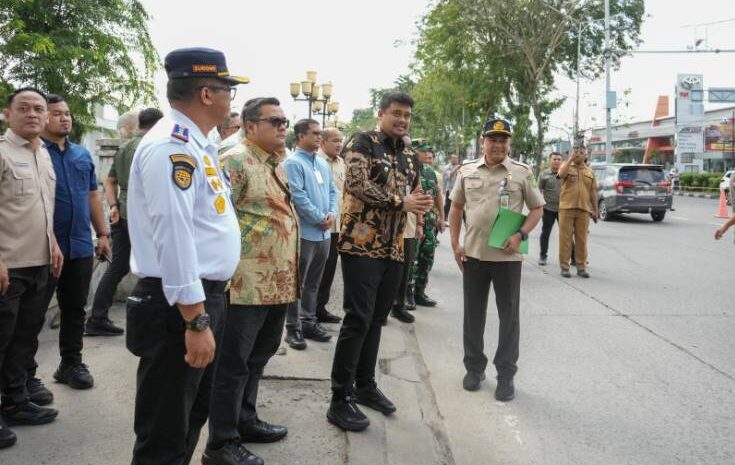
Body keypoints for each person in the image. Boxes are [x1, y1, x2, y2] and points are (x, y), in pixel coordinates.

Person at [125, 47, 247, 465]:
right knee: (164, 430)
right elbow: (173, 237)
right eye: (227, 88)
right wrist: (194, 318)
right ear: (207, 94)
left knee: (191, 414)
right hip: (177, 306)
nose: (232, 97)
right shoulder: (170, 147)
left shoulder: (198, 143)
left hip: (203, 297)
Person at [327, 92, 433, 432]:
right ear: (382, 113)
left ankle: (365, 384)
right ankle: (339, 398)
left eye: (407, 116)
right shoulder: (363, 142)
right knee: (357, 319)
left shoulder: (409, 154)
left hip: (394, 247)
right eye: (396, 114)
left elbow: (412, 194)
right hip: (361, 244)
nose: (402, 120)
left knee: (377, 319)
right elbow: (356, 184)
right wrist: (399, 202)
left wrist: (421, 203)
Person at [205, 97, 298, 465]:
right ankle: (221, 443)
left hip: (277, 282)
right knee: (232, 365)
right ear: (249, 125)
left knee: (259, 357)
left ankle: (245, 419)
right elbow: (217, 222)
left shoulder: (277, 162)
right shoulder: (234, 161)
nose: (282, 127)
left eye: (284, 121)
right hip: (244, 285)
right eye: (274, 121)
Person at [449, 118, 544, 402]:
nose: (498, 144)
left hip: (507, 257)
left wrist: (521, 236)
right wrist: (455, 244)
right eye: (493, 139)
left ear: (508, 143)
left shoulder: (523, 173)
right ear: (483, 142)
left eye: (503, 140)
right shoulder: (466, 171)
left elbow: (538, 209)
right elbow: (455, 209)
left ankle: (506, 375)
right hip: (474, 255)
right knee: (473, 316)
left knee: (509, 318)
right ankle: (474, 368)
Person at [29, 94, 111, 394]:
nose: (64, 118)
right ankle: (26, 377)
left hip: (78, 245)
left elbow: (92, 196)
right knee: (33, 315)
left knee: (75, 309)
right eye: (56, 113)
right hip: (42, 248)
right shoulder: (35, 153)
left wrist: (102, 234)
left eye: (67, 113)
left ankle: (71, 364)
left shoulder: (81, 155)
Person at [0, 87, 63, 449]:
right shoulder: (3, 152)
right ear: (8, 114)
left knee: (24, 341)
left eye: (39, 109)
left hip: (40, 263)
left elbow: (43, 208)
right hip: (8, 266)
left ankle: (15, 401)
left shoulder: (44, 155)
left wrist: (52, 241)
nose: (33, 114)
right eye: (24, 108)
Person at [86, 107, 163, 336]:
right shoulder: (153, 147)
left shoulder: (124, 148)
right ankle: (150, 321)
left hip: (122, 213)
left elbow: (109, 181)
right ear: (158, 125)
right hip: (146, 215)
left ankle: (97, 318)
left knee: (117, 267)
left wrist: (113, 206)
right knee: (154, 268)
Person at [283, 119, 337, 349]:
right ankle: (292, 327)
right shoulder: (293, 163)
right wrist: (318, 218)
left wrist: (332, 214)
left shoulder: (322, 164)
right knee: (298, 283)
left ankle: (309, 321)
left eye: (320, 133)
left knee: (314, 283)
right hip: (304, 233)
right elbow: (298, 196)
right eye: (314, 133)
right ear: (300, 136)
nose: (318, 137)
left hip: (324, 234)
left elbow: (333, 191)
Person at [409, 142, 444, 308]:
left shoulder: (430, 172)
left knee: (427, 257)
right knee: (411, 258)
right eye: (426, 155)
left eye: (431, 156)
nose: (429, 158)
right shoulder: (409, 169)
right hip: (413, 221)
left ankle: (420, 292)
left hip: (430, 222)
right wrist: (419, 222)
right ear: (417, 153)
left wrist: (441, 218)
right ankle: (406, 293)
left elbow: (437, 195)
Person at [315, 127, 345, 324]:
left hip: (337, 226)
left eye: (340, 140)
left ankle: (320, 309)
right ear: (323, 141)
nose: (339, 144)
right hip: (319, 226)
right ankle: (306, 314)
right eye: (334, 140)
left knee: (329, 270)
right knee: (314, 272)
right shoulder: (315, 161)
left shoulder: (342, 163)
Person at [558, 142, 598, 278]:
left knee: (582, 239)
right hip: (566, 208)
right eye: (576, 152)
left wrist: (595, 210)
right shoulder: (566, 166)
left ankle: (581, 267)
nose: (578, 154)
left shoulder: (590, 172)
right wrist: (570, 159)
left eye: (581, 152)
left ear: (585, 154)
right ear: (571, 153)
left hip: (583, 209)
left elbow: (593, 192)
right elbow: (560, 174)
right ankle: (564, 266)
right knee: (565, 239)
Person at [537, 152, 562, 266]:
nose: (557, 161)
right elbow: (539, 190)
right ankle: (543, 256)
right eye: (554, 159)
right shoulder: (544, 174)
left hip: (564, 209)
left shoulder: (565, 173)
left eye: (559, 159)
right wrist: (540, 205)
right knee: (545, 233)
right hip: (548, 209)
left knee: (567, 234)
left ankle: (573, 257)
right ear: (549, 161)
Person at [443, 154, 460, 223]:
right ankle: (444, 217)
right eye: (454, 158)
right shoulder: (447, 167)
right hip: (449, 189)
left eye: (456, 158)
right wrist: (456, 168)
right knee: (448, 204)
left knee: (458, 203)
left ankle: (463, 219)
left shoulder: (459, 167)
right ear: (451, 159)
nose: (456, 160)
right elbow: (449, 176)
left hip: (457, 188)